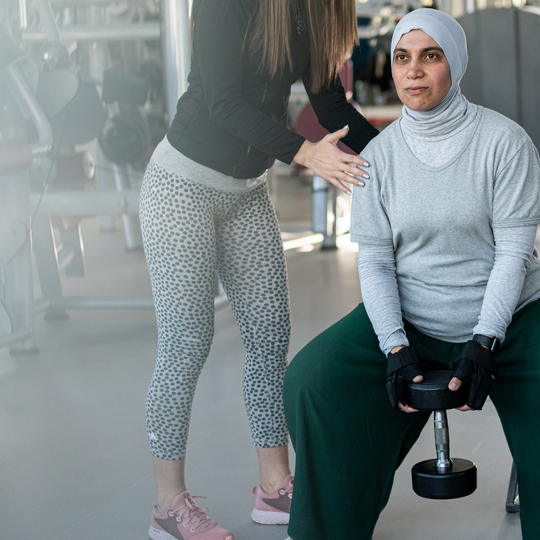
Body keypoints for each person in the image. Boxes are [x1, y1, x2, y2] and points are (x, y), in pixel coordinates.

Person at [282, 9, 540, 540]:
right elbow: (377, 262)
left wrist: (483, 342)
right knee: (312, 381)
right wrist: (396, 348)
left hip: (514, 314)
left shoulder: (504, 142)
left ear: (456, 64)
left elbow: (512, 256)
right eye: (403, 58)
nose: (414, 71)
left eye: (431, 56)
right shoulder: (378, 158)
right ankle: (325, 530)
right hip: (413, 313)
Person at [139, 0, 380, 538]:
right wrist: (306, 153)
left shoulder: (310, 12)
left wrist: (398, 154)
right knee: (187, 342)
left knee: (270, 338)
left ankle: (275, 488)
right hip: (182, 187)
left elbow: (331, 105)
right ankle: (167, 503)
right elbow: (224, 104)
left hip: (246, 193)